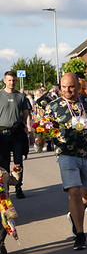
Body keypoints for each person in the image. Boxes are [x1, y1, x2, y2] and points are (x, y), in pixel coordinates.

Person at [46, 73, 87, 250]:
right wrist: (42, 137)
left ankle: (75, 215)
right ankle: (80, 234)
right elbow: (45, 126)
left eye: (71, 87)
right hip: (66, 154)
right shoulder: (54, 106)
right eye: (63, 87)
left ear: (77, 86)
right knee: (74, 192)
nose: (67, 90)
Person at [0, 71, 31, 199]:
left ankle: (18, 186)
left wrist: (28, 127)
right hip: (2, 133)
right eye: (9, 80)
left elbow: (26, 114)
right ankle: (5, 188)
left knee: (18, 160)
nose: (11, 83)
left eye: (13, 80)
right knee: (3, 162)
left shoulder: (21, 97)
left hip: (17, 132)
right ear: (4, 81)